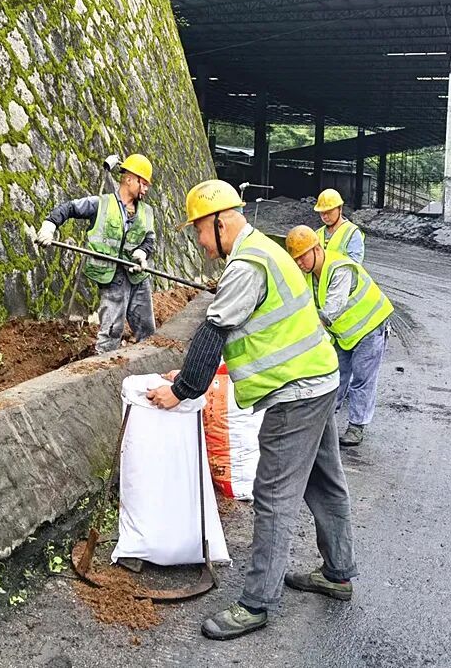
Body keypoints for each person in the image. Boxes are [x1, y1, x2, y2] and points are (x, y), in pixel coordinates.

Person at [146, 180, 357, 641]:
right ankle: (338, 573)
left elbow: (213, 331)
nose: (200, 242)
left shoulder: (245, 266)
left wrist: (181, 390)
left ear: (219, 222)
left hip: (295, 392)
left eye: (199, 230)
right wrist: (188, 375)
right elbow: (259, 330)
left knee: (273, 494)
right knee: (324, 481)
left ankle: (256, 603)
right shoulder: (264, 250)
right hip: (319, 378)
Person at [35, 154, 156, 353]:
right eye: (143, 183)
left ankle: (149, 363)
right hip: (112, 276)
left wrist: (142, 253)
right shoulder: (101, 204)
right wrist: (49, 226)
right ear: (129, 179)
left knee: (148, 331)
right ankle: (103, 366)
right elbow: (69, 208)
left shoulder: (146, 212)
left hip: (138, 278)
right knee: (112, 332)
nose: (145, 189)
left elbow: (149, 239)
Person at [285, 225, 393, 447]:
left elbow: (332, 308)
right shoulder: (308, 275)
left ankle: (356, 426)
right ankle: (324, 422)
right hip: (345, 335)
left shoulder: (339, 268)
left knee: (362, 378)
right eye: (296, 259)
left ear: (316, 249)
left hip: (370, 327)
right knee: (335, 376)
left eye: (302, 257)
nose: (299, 263)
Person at [314, 188, 364, 263]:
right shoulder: (317, 234)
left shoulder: (352, 232)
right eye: (322, 213)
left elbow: (354, 265)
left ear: (340, 208)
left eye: (329, 212)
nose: (325, 216)